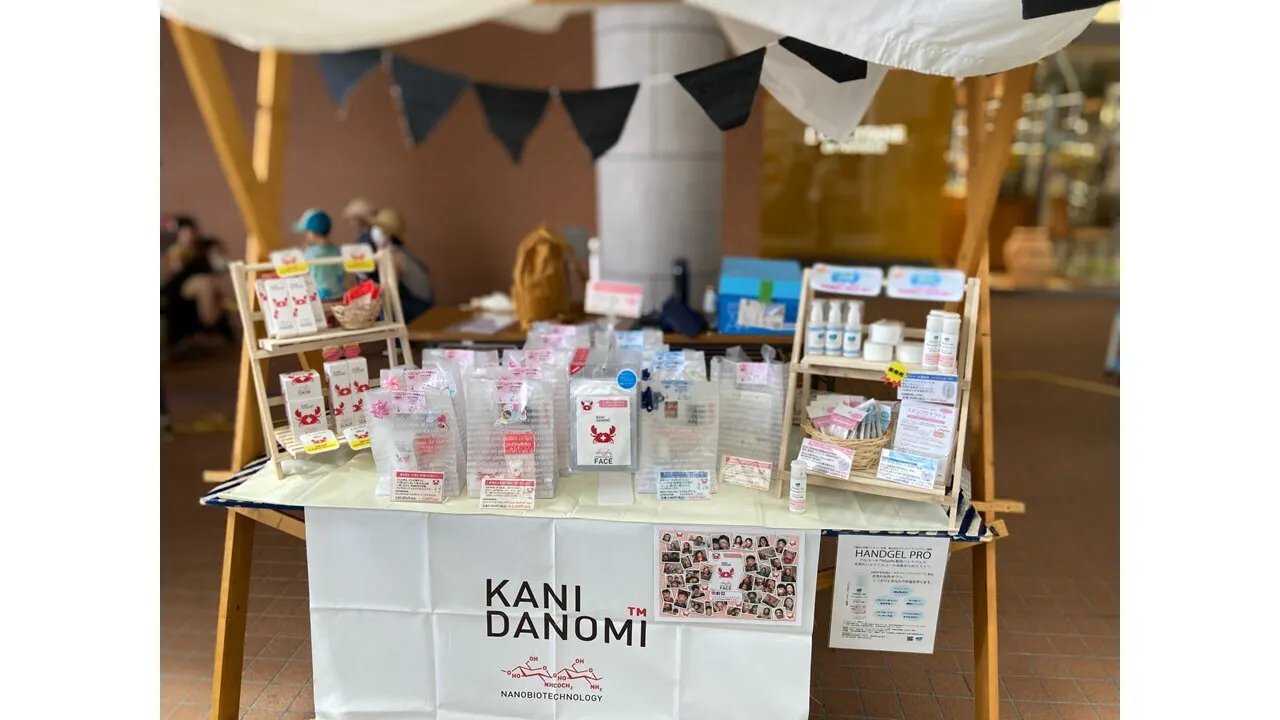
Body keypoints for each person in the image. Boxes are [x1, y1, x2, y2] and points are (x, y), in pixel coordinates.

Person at [162, 216, 232, 353]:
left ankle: (210, 326)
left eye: (190, 232)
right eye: (184, 233)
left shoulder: (206, 247)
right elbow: (175, 273)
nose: (189, 236)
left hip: (205, 289)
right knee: (205, 284)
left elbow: (221, 265)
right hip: (179, 290)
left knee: (211, 287)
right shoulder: (175, 250)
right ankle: (206, 326)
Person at [370, 208, 434, 322]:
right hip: (420, 303)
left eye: (378, 228)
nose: (373, 231)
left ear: (387, 233)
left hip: (419, 307)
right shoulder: (397, 251)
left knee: (384, 312)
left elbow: (389, 291)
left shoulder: (394, 256)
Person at [294, 209, 344, 301]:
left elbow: (301, 275)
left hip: (317, 299)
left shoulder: (309, 253)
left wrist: (303, 252)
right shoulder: (337, 250)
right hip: (338, 296)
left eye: (306, 232)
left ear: (312, 233)